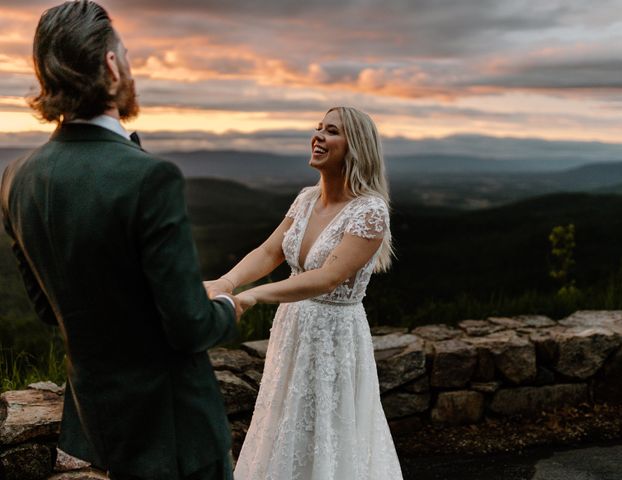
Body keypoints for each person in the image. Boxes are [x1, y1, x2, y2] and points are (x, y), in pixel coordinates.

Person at [0, 2, 241, 479]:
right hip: (176, 430)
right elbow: (190, 327)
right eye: (125, 55)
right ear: (112, 64)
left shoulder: (15, 178)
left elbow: (51, 309)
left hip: (99, 419)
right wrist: (228, 309)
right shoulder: (150, 176)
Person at [206, 106, 404, 479]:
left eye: (331, 131)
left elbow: (328, 277)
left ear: (356, 147)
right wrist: (226, 283)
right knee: (284, 421)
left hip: (335, 335)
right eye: (318, 129)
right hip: (292, 327)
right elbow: (269, 252)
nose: (318, 136)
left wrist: (251, 297)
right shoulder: (305, 199)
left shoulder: (370, 211)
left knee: (330, 428)